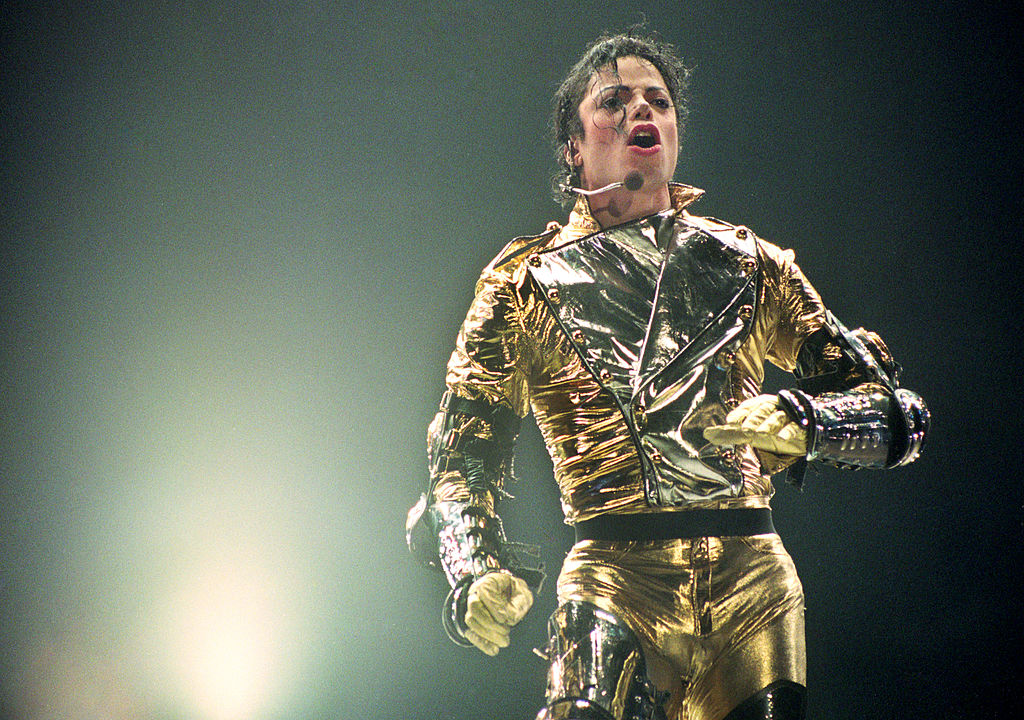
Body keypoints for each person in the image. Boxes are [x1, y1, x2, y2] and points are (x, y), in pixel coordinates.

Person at [406, 30, 928, 720]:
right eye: (613, 101)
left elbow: (901, 413)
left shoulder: (747, 262)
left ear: (676, 135)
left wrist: (808, 421)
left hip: (752, 576)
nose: (640, 112)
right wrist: (472, 572)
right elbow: (461, 455)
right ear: (573, 147)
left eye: (657, 100)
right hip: (615, 572)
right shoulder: (523, 282)